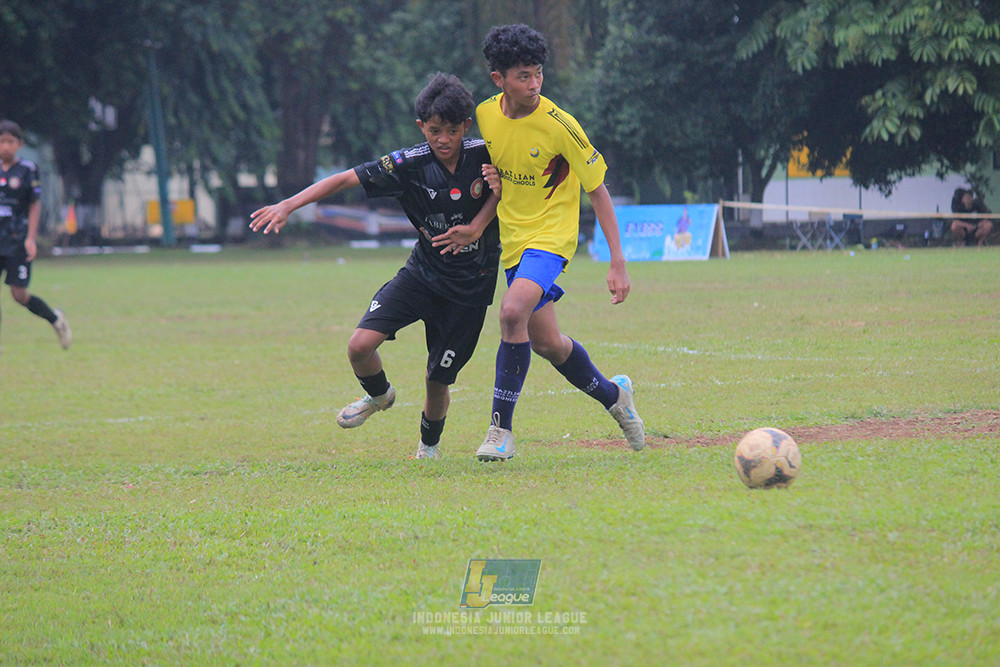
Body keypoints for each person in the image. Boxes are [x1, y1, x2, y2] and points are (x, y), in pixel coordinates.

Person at [249, 73, 500, 459]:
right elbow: (342, 180)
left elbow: (521, 184)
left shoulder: (489, 153)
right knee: (359, 346)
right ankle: (380, 395)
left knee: (438, 378)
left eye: (452, 130)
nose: (444, 139)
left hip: (471, 287)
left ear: (467, 126)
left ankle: (427, 450)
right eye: (435, 130)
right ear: (422, 127)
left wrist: (479, 224)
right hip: (422, 275)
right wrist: (287, 205)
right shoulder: (407, 163)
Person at [435, 24, 644, 461]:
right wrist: (481, 207)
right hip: (513, 242)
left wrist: (617, 261)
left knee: (511, 313)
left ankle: (500, 432)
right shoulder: (486, 116)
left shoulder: (559, 125)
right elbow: (491, 176)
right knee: (548, 343)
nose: (534, 84)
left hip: (552, 239)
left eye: (538, 74)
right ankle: (614, 396)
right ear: (499, 80)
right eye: (523, 76)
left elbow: (599, 191)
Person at [0, 120, 72, 353]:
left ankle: (55, 319)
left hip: (17, 239)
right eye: (1, 141)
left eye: (10, 141)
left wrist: (30, 238)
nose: (5, 147)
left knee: (18, 294)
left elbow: (34, 205)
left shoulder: (28, 169)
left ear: (19, 144)